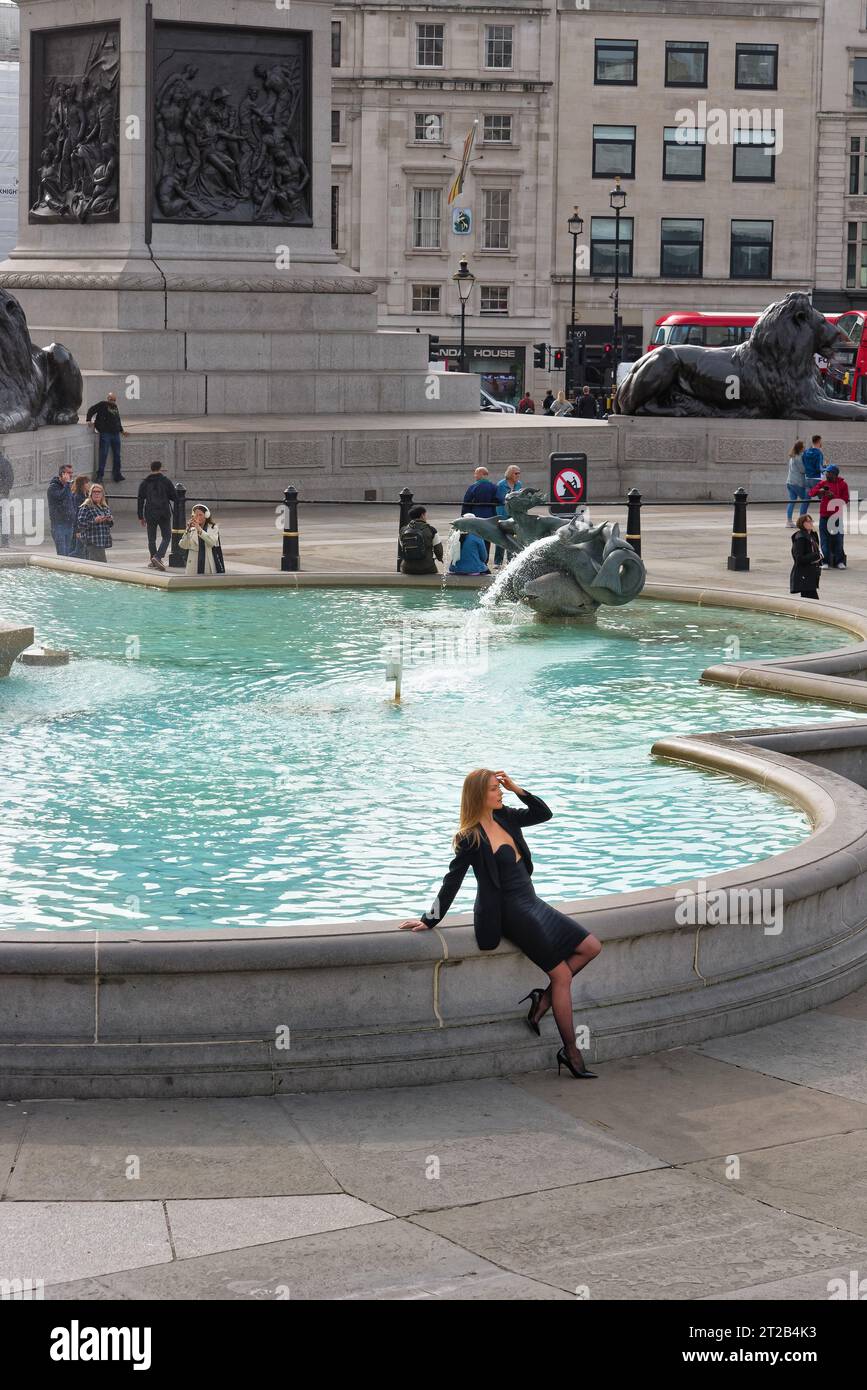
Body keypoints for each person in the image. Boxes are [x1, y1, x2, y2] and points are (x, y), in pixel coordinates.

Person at [400, 769, 602, 1079]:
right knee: (561, 974)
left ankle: (542, 1000)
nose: (500, 793)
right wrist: (430, 919)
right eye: (495, 789)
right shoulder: (470, 837)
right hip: (510, 914)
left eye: (500, 788)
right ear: (479, 795)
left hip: (533, 903)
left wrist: (517, 787)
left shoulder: (506, 817)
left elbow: (543, 813)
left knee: (591, 946)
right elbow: (451, 881)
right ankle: (570, 1051)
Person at [137, 460, 178, 571]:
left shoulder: (145, 483)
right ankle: (158, 556)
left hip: (150, 513)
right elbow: (174, 497)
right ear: (160, 468)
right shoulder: (166, 481)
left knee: (151, 539)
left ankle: (153, 559)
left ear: (151, 468)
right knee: (167, 536)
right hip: (164, 512)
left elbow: (140, 500)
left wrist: (140, 516)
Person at [809, 464, 849, 569]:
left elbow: (845, 500)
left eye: (829, 473)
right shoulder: (823, 483)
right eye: (826, 472)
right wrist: (819, 491)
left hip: (836, 516)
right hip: (824, 515)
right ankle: (825, 561)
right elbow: (811, 493)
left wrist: (834, 497)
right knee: (824, 539)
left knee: (838, 539)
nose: (826, 474)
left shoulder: (843, 484)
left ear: (835, 474)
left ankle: (839, 561)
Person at [86, 391, 127, 483]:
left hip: (115, 433)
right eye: (111, 399)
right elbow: (91, 409)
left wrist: (121, 430)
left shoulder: (115, 407)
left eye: (114, 400)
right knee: (103, 454)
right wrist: (88, 420)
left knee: (117, 455)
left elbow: (118, 419)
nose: (113, 401)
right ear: (108, 398)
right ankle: (100, 475)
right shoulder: (102, 404)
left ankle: (117, 474)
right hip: (105, 433)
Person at [179, 504, 226, 575]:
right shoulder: (191, 529)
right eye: (196, 515)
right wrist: (187, 531)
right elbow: (183, 545)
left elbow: (212, 542)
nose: (198, 517)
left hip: (208, 561)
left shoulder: (213, 528)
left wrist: (199, 530)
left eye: (200, 515)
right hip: (193, 563)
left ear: (206, 515)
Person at [398, 504, 443, 575]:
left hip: (407, 568)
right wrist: (440, 559)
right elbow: (439, 550)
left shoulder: (403, 530)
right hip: (427, 568)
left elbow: (402, 547)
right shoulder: (431, 530)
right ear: (422, 515)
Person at [75, 482, 114, 562]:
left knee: (100, 564)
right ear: (90, 494)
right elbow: (81, 524)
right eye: (94, 492)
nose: (96, 494)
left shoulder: (104, 507)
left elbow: (109, 525)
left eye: (98, 492)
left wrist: (109, 520)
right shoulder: (86, 507)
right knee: (100, 565)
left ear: (102, 494)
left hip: (101, 541)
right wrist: (94, 521)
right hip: (92, 541)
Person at [493, 465, 523, 568]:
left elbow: (520, 498)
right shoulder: (501, 484)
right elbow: (501, 499)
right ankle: (498, 562)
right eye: (516, 473)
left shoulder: (519, 484)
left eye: (519, 473)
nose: (518, 475)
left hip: (514, 514)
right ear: (510, 474)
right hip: (503, 514)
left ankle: (511, 561)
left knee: (513, 538)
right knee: (501, 537)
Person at [47, 463, 77, 555]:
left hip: (69, 524)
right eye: (68, 473)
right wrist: (68, 484)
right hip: (58, 526)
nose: (71, 475)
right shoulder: (53, 487)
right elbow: (61, 497)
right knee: (62, 554)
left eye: (71, 473)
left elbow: (72, 504)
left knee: (68, 553)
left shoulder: (67, 487)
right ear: (62, 474)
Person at [789, 514, 822, 599]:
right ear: (802, 524)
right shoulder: (800, 538)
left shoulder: (813, 535)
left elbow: (817, 550)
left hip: (812, 573)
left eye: (811, 521)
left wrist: (818, 557)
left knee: (809, 599)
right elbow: (799, 558)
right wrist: (815, 556)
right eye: (808, 521)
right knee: (812, 600)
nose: (810, 523)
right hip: (804, 574)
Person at [785, 440, 809, 527]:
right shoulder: (798, 457)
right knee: (806, 499)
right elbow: (803, 470)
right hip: (796, 483)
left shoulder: (792, 456)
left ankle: (789, 521)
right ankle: (802, 522)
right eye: (803, 446)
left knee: (792, 501)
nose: (805, 448)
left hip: (790, 482)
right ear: (800, 448)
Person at [70, 474, 92, 557]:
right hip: (79, 528)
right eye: (86, 483)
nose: (89, 485)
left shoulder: (86, 495)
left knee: (84, 551)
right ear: (82, 485)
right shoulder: (78, 497)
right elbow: (77, 514)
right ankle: (65, 559)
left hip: (85, 527)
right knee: (79, 551)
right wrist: (77, 530)